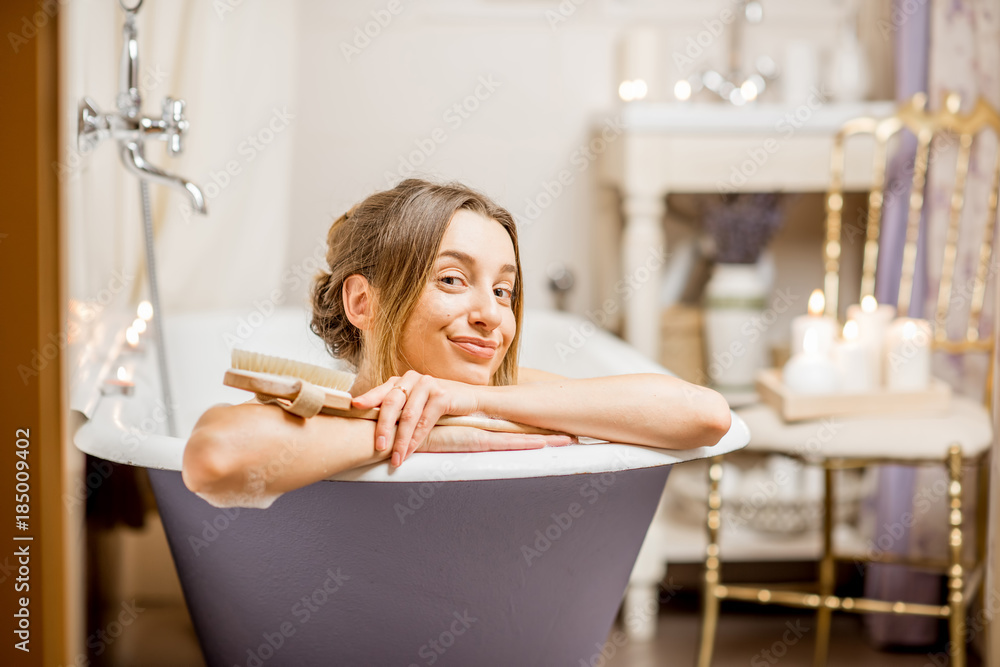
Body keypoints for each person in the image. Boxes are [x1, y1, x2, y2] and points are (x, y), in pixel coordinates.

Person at [182, 179, 731, 508]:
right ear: (361, 303)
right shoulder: (320, 412)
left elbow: (703, 413)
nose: (492, 314)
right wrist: (422, 435)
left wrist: (475, 403)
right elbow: (215, 458)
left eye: (503, 290)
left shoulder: (501, 393)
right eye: (451, 279)